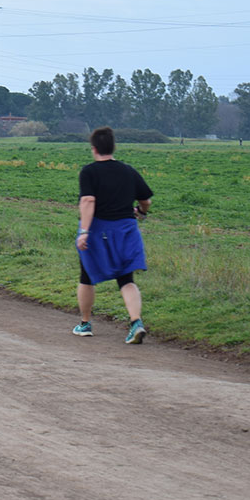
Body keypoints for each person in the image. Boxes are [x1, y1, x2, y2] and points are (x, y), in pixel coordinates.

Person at [74, 126, 154, 344]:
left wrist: (84, 232)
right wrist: (142, 213)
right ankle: (136, 322)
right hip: (126, 229)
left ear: (94, 149)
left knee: (87, 276)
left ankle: (85, 323)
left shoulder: (89, 172)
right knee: (126, 278)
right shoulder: (128, 171)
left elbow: (88, 201)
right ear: (112, 147)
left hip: (98, 231)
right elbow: (145, 200)